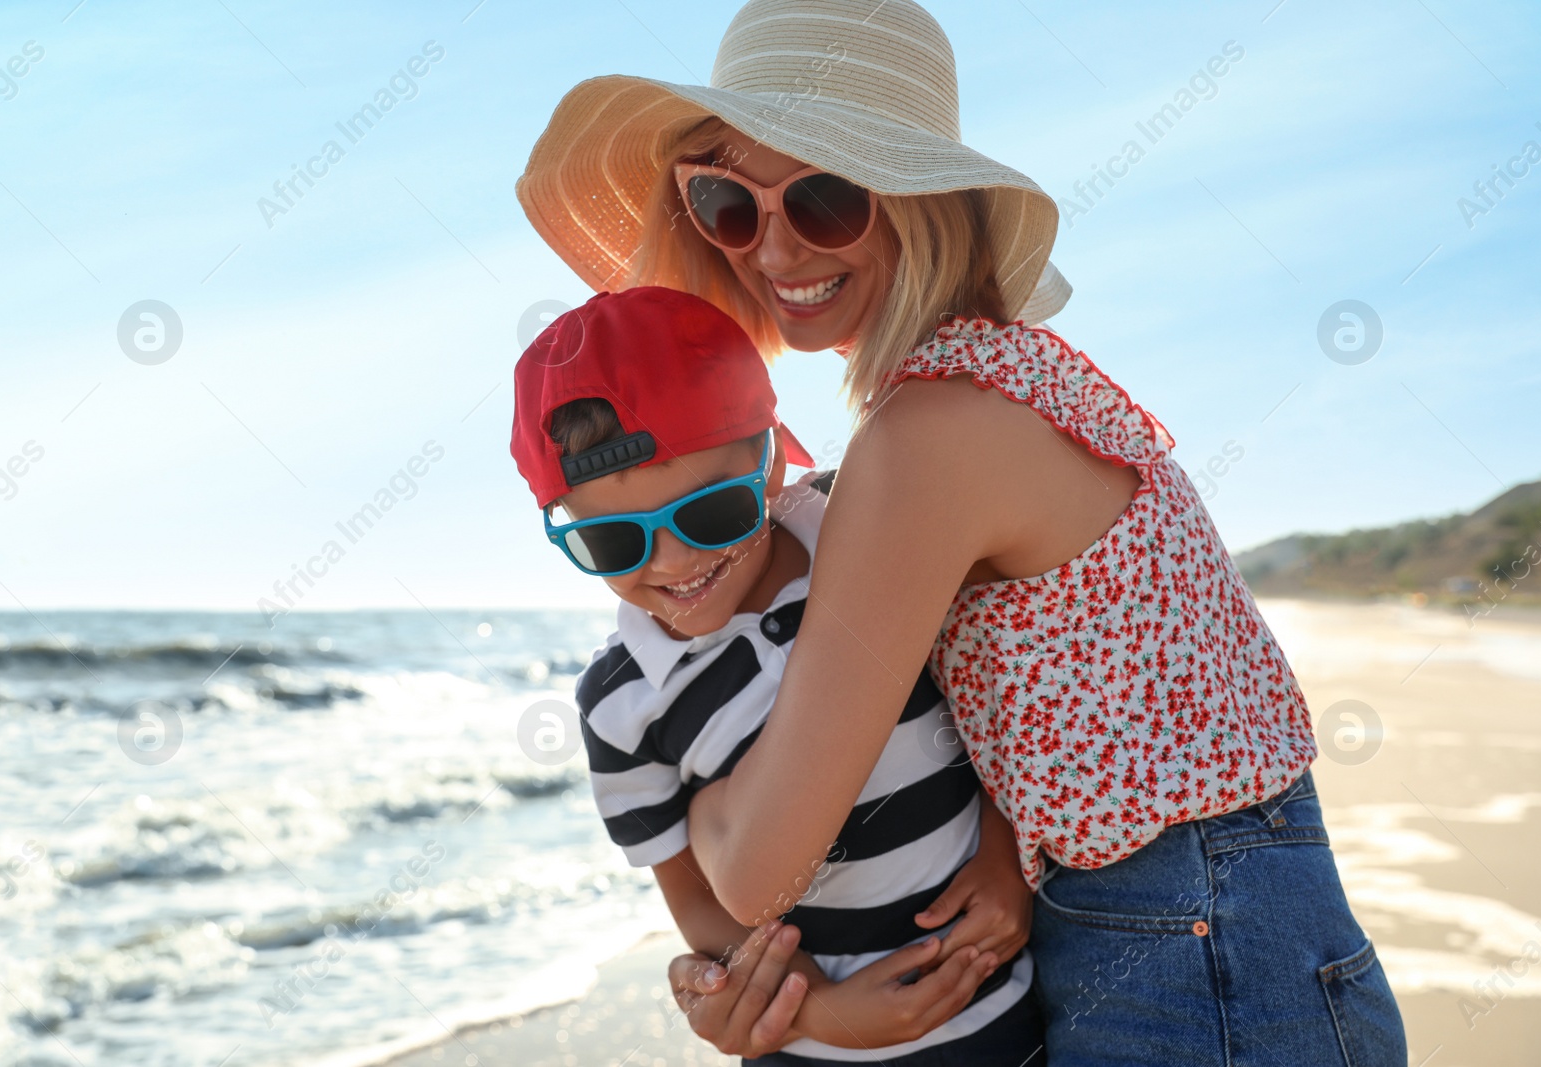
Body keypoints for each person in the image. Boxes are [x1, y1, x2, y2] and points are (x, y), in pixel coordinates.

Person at [515, 1, 1408, 1064]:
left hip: (1188, 946)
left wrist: (698, 815)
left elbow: (754, 874)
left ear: (919, 200)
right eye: (726, 201)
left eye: (826, 193)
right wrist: (1003, 850)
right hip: (1203, 917)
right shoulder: (997, 373)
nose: (775, 244)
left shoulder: (925, 435)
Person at [509, 286, 1047, 1064]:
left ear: (768, 458)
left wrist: (1007, 862)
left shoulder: (865, 528)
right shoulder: (618, 702)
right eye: (613, 543)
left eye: (712, 514)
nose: (674, 563)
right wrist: (820, 1012)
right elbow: (695, 897)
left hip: (994, 1013)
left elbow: (996, 704)